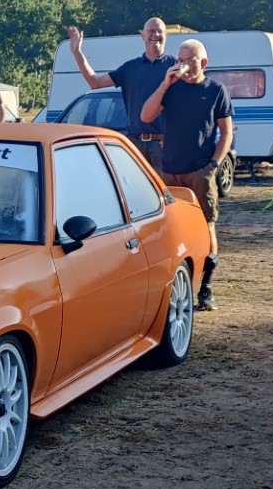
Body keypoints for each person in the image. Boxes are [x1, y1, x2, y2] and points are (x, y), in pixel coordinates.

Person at [140, 38, 232, 312]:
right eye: (180, 60)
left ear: (203, 63)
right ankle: (175, 285)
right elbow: (146, 116)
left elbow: (226, 133)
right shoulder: (171, 88)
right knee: (171, 227)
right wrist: (164, 84)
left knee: (207, 225)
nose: (184, 66)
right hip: (169, 171)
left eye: (190, 60)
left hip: (200, 172)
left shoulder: (216, 90)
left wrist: (213, 165)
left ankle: (206, 288)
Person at [68, 18, 175, 167]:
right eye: (151, 31)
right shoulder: (130, 68)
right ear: (143, 35)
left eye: (160, 31)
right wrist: (77, 53)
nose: (156, 35)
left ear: (166, 36)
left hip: (164, 145)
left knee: (162, 184)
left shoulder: (175, 67)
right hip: (134, 144)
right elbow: (95, 83)